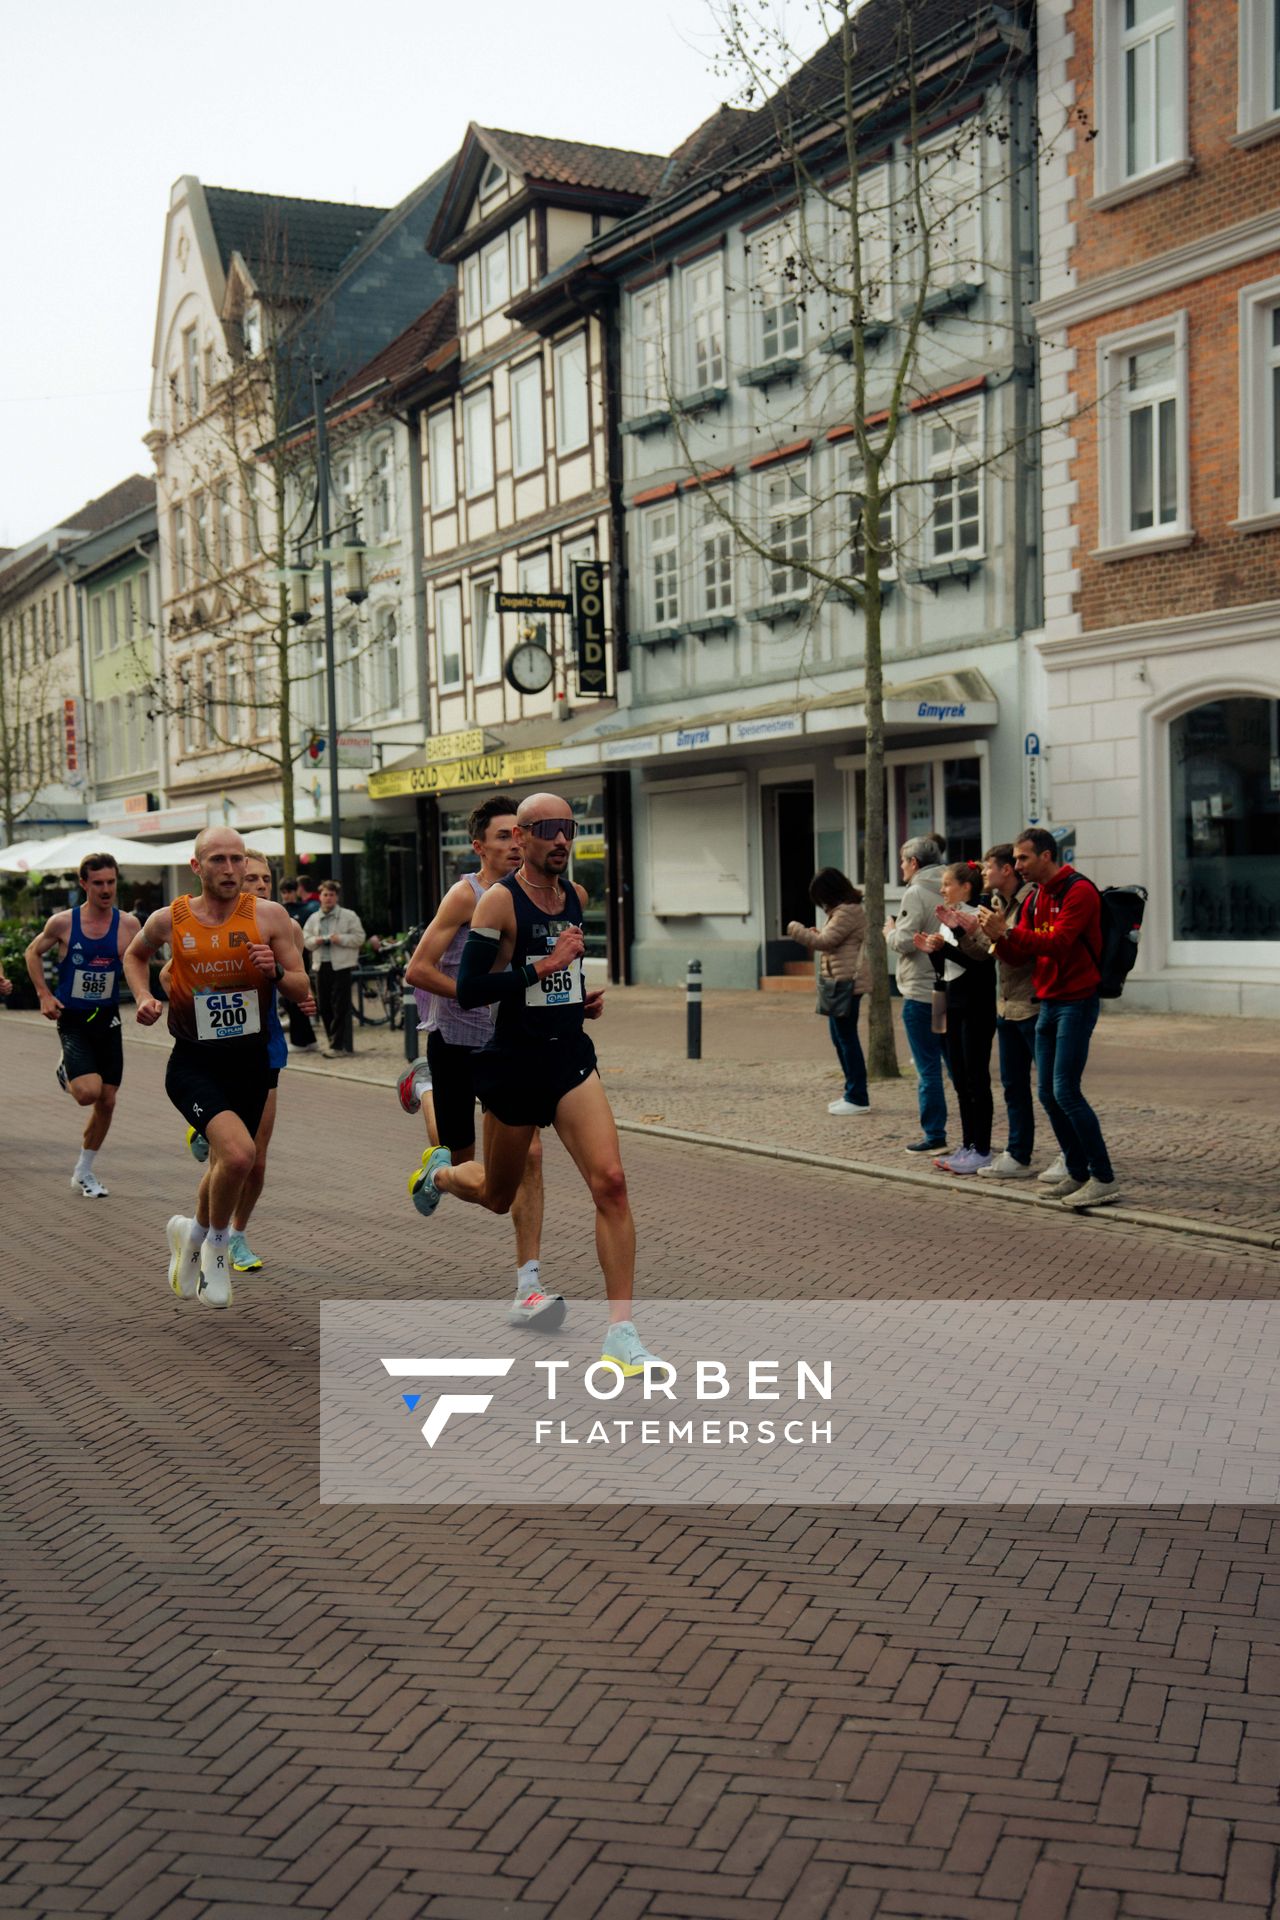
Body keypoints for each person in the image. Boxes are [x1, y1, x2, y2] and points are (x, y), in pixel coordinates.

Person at [408, 792, 662, 1375]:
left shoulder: (576, 896)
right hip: (513, 1064)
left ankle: (621, 1331)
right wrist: (539, 970)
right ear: (520, 838)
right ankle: (442, 1174)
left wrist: (576, 998)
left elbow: (560, 972)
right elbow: (471, 988)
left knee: (613, 1182)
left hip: (568, 1057)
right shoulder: (497, 902)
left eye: (568, 829)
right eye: (547, 829)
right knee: (498, 1197)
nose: (561, 839)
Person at [123, 827, 310, 1308]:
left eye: (236, 860)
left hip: (250, 1061)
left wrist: (274, 971)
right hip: (193, 1063)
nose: (230, 870)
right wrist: (143, 997)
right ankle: (218, 1251)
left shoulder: (269, 917)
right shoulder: (170, 919)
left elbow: (301, 986)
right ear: (197, 866)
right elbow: (135, 955)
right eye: (219, 860)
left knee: (231, 1162)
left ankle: (193, 1233)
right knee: (241, 1156)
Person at [399, 795, 553, 1325]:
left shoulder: (538, 896)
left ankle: (528, 1288)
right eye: (504, 836)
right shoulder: (465, 896)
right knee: (466, 1167)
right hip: (458, 1042)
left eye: (521, 833)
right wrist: (477, 994)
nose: (516, 843)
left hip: (511, 1047)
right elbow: (417, 970)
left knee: (529, 1154)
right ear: (479, 846)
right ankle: (426, 1098)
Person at [179, 849, 318, 1274]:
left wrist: (301, 997)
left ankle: (235, 1234)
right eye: (250, 877)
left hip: (265, 1048)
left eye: (264, 879)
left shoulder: (283, 924)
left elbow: (297, 982)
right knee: (231, 1158)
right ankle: (209, 1238)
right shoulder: (209, 921)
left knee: (254, 1158)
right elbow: (171, 974)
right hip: (213, 1052)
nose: (257, 885)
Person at [977, 827, 1120, 1209]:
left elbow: (1058, 944)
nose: (1017, 865)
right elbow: (1020, 954)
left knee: (1066, 1091)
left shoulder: (1079, 891)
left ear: (1046, 856)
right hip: (1049, 1000)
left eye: (1023, 858)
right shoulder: (1038, 896)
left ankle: (1103, 1177)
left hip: (1077, 1001)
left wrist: (1007, 933)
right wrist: (997, 938)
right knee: (1047, 1092)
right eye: (1016, 859)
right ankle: (1076, 1172)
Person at [24, 853, 140, 1197]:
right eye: (98, 883)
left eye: (111, 882)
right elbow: (33, 952)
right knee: (87, 1093)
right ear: (84, 884)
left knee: (107, 1099)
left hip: (108, 1017)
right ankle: (67, 1070)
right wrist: (44, 994)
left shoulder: (129, 925)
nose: (106, 890)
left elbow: (139, 961)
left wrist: (145, 995)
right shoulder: (64, 923)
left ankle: (83, 1171)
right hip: (72, 1018)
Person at [913, 860, 996, 1174]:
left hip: (973, 1005)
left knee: (976, 1077)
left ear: (967, 886)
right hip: (947, 1001)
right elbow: (946, 968)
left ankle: (982, 1147)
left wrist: (944, 948)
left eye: (947, 884)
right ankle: (967, 1144)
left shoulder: (977, 917)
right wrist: (933, 949)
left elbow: (979, 963)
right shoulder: (947, 918)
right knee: (959, 1078)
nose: (942, 889)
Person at [976, 843, 1049, 1182]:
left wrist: (1000, 931)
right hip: (1006, 1006)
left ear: (1005, 870)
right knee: (1013, 1086)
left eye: (988, 866)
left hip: (1032, 1005)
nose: (983, 872)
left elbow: (1022, 953)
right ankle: (1018, 1154)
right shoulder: (999, 904)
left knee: (1052, 1087)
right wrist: (965, 932)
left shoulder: (1031, 901)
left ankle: (1071, 1155)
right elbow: (992, 953)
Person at [883, 835, 952, 1154]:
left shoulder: (916, 892)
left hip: (921, 991)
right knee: (955, 1064)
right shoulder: (953, 885)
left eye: (902, 861)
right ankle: (971, 1135)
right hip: (946, 986)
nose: (900, 867)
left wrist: (890, 933)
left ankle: (935, 1134)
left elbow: (906, 942)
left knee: (927, 1067)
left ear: (914, 863)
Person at [787, 867, 871, 1115]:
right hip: (840, 981)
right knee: (840, 1038)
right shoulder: (843, 911)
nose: (822, 904)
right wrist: (820, 933)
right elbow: (832, 940)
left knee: (847, 1040)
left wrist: (796, 929)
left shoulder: (847, 912)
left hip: (847, 984)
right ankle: (851, 1093)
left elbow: (825, 943)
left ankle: (858, 1097)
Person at [303, 880, 364, 1057]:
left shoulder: (349, 916)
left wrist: (341, 939)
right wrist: (316, 940)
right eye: (325, 894)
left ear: (336, 897)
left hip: (342, 966)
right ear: (320, 897)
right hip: (321, 966)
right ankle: (333, 1041)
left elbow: (359, 938)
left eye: (331, 894)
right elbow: (305, 940)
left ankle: (337, 1046)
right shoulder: (313, 918)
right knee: (324, 1006)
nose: (328, 898)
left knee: (340, 1006)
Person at [277, 878, 319, 1050]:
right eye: (284, 892)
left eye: (290, 891)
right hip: (284, 958)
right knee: (289, 1000)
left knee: (299, 997)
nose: (287, 895)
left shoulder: (306, 909)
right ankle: (305, 1039)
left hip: (302, 958)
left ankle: (302, 1040)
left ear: (296, 891)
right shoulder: (278, 911)